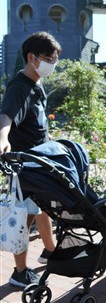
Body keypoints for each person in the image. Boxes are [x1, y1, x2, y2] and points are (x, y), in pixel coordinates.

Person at [0, 31, 58, 287]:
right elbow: (5, 117)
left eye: (54, 58)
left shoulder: (37, 83)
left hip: (40, 160)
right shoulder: (19, 87)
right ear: (32, 57)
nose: (52, 64)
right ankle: (20, 272)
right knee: (25, 217)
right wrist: (3, 139)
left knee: (43, 207)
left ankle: (50, 251)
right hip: (25, 165)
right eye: (48, 58)